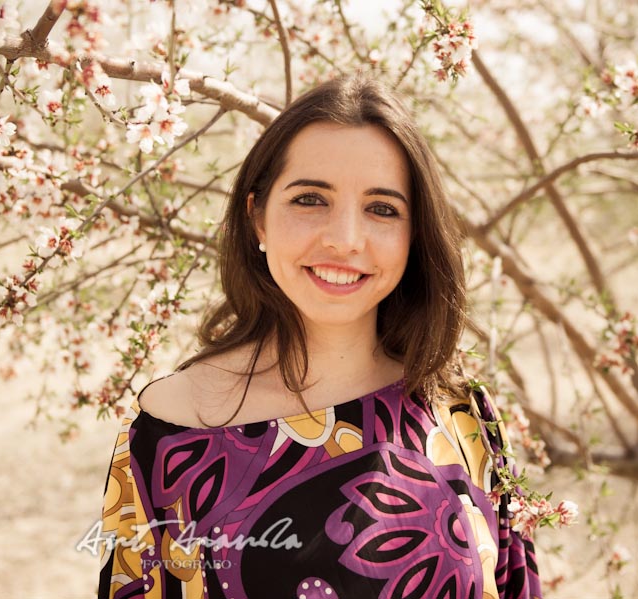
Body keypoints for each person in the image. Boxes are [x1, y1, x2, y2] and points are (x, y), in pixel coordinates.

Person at [97, 74, 541, 599]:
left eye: (382, 209)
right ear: (257, 217)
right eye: (310, 199)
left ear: (414, 235)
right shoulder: (171, 433)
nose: (345, 240)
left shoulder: (463, 413)